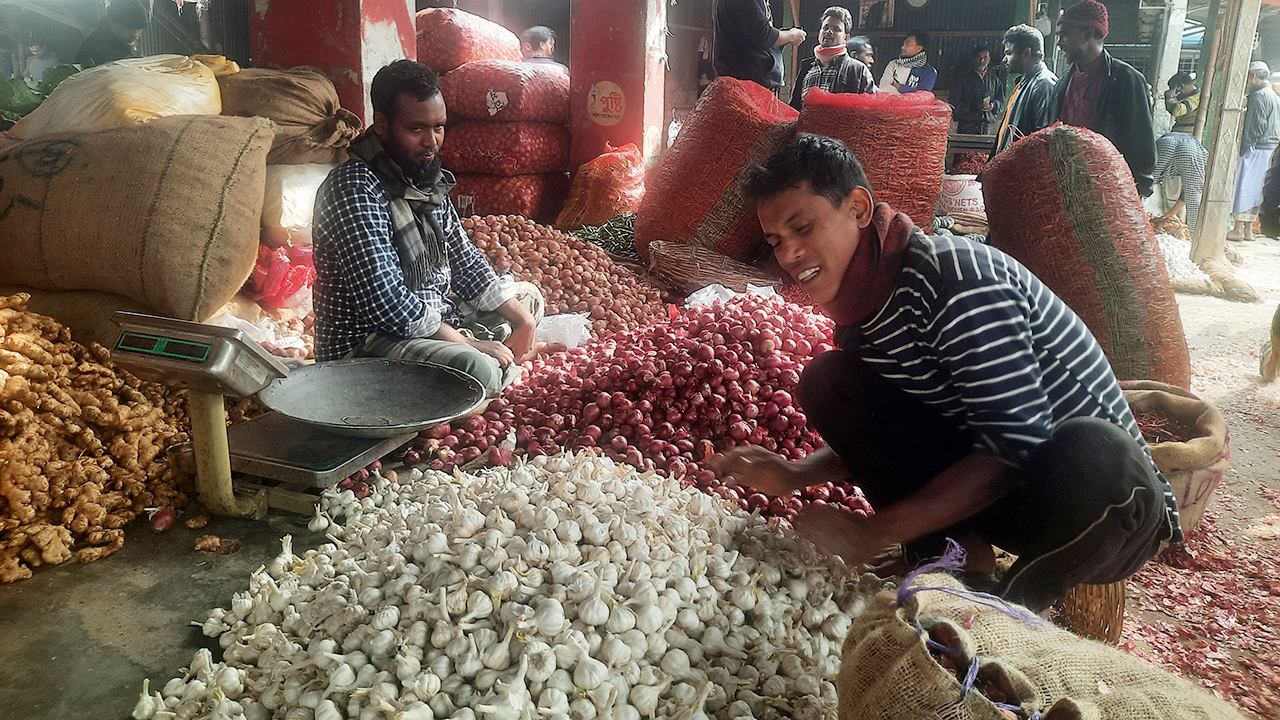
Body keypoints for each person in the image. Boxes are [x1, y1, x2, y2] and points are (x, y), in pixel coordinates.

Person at [715, 134, 1181, 612]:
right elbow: (899, 433)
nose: (790, 254)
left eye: (802, 228)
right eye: (776, 241)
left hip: (1096, 507)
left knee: (1096, 450)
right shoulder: (865, 307)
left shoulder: (953, 281)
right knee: (830, 381)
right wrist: (798, 474)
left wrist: (876, 531)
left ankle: (1011, 606)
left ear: (857, 208)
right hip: (1001, 491)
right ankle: (958, 560)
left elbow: (1012, 450)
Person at [312, 60, 544, 395]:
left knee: (528, 300)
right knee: (474, 369)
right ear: (381, 124)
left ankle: (490, 364)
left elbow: (464, 261)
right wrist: (471, 345)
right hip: (367, 344)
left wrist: (523, 320)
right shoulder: (355, 188)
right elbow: (386, 303)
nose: (431, 142)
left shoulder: (424, 181)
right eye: (416, 129)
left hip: (431, 317)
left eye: (439, 127)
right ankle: (489, 369)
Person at [1051, 0, 1156, 197]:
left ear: (1088, 34)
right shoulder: (1062, 83)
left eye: (1064, 35)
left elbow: (1143, 145)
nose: (1059, 43)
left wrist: (1138, 192)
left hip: (1107, 192)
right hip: (1065, 188)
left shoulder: (1126, 80)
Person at [1227, 61, 1280, 242]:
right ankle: (1248, 231)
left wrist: (1243, 148)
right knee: (1257, 190)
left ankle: (1238, 229)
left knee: (1244, 188)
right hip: (1269, 149)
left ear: (1254, 77)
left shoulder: (1258, 96)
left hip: (1256, 148)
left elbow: (1255, 127)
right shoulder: (1273, 95)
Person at [789, 6, 874, 110]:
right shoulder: (806, 68)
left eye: (836, 29)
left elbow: (870, 112)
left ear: (845, 38)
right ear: (820, 33)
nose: (829, 32)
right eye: (826, 28)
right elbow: (794, 109)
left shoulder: (858, 71)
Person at [991, 24, 1058, 157]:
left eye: (1009, 53)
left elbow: (1043, 141)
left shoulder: (1044, 85)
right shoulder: (1024, 82)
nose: (1004, 59)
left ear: (1026, 53)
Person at [713, 0, 806, 91]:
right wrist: (791, 36)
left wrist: (783, 37)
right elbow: (761, 34)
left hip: (740, 79)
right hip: (749, 83)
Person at [1153, 131, 1208, 235]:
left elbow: (1146, 184)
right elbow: (1190, 193)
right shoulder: (1189, 169)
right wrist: (1172, 213)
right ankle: (1195, 236)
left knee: (1146, 183)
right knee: (1194, 195)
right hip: (1191, 148)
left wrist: (1171, 213)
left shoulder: (1170, 173)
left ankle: (1136, 227)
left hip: (1165, 144)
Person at [949, 45, 1003, 135]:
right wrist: (974, 105)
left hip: (986, 126)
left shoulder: (995, 81)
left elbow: (1001, 103)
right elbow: (953, 104)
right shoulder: (962, 79)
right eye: (979, 57)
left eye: (985, 57)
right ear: (973, 59)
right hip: (966, 125)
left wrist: (993, 105)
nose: (982, 61)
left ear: (989, 59)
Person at [76, 0, 147, 67]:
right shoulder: (96, 50)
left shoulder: (119, 41)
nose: (136, 34)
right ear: (111, 21)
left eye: (140, 28)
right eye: (129, 28)